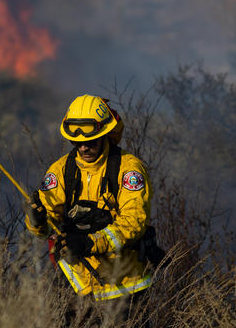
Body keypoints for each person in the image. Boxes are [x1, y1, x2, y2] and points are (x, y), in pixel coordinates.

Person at [24, 94, 155, 302]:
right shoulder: (60, 171)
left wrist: (89, 243)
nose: (83, 148)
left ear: (105, 134)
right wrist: (37, 221)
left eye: (90, 142)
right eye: (76, 142)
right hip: (75, 286)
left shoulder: (128, 169)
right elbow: (46, 231)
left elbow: (134, 222)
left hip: (123, 287)